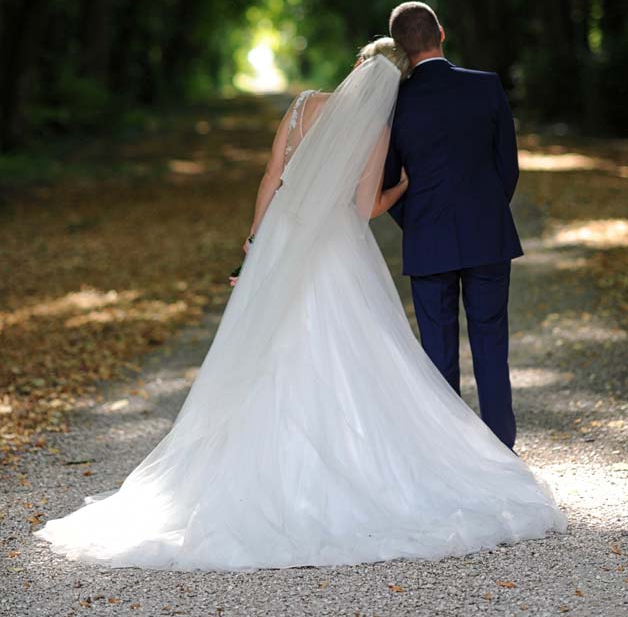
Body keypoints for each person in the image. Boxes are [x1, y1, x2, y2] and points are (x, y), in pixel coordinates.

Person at [34, 37, 565, 571]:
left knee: (266, 341)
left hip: (282, 237)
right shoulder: (375, 128)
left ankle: (250, 464)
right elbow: (364, 207)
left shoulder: (303, 104)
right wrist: (401, 187)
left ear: (357, 65)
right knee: (342, 345)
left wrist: (254, 239)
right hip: (335, 248)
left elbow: (272, 176)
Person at [384, 1, 523, 449]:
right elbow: (508, 168)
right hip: (488, 234)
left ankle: (451, 455)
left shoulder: (394, 103)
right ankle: (501, 448)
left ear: (400, 48)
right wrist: (485, 211)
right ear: (441, 33)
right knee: (491, 345)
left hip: (428, 239)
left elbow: (387, 182)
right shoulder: (486, 86)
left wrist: (418, 223)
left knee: (438, 355)